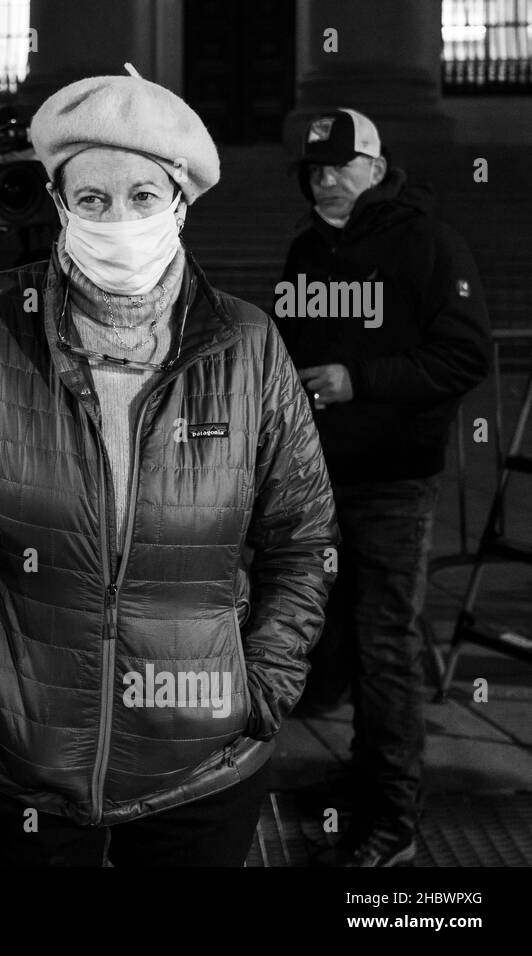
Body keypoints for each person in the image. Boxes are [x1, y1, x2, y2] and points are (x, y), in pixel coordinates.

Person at [0, 66, 338, 867]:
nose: (117, 220)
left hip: (203, 766)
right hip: (20, 761)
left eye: (141, 197)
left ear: (178, 204)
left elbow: (304, 538)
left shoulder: (247, 343)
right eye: (91, 199)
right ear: (59, 204)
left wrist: (261, 687)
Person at [274, 108, 493, 867]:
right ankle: (368, 775)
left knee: (386, 645)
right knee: (335, 639)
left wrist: (357, 381)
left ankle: (393, 820)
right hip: (320, 483)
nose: (324, 179)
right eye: (312, 169)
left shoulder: (426, 242)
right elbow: (290, 349)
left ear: (376, 164)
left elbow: (465, 355)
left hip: (394, 483)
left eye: (338, 165)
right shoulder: (307, 250)